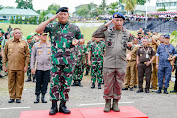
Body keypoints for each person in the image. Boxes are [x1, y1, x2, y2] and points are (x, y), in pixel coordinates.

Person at [35, 7, 84, 115]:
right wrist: (51, 19)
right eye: (60, 14)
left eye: (65, 14)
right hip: (55, 61)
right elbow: (38, 30)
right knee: (54, 83)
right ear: (57, 16)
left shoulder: (74, 27)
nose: (62, 16)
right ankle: (53, 106)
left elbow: (82, 40)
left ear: (68, 15)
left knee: (66, 84)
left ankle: (63, 105)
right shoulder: (52, 27)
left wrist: (78, 41)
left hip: (69, 61)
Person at [93, 12, 132, 112]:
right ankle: (107, 102)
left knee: (118, 84)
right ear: (113, 21)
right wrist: (107, 23)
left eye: (120, 20)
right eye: (116, 20)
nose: (118, 22)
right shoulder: (107, 31)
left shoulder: (128, 33)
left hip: (121, 63)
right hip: (109, 63)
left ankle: (115, 102)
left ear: (123, 21)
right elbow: (95, 34)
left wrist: (131, 47)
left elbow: (133, 46)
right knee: (108, 84)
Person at [3, 28, 30, 103]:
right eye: (16, 33)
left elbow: (27, 55)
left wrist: (26, 65)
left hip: (20, 66)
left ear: (21, 34)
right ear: (13, 34)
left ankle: (18, 97)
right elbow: (4, 55)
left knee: (20, 82)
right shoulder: (8, 43)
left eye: (19, 33)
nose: (18, 34)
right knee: (11, 82)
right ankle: (11, 97)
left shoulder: (24, 43)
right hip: (10, 66)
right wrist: (4, 65)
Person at [31, 33, 51, 103]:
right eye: (43, 35)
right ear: (39, 36)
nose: (45, 37)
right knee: (38, 82)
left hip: (47, 67)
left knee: (45, 82)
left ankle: (43, 96)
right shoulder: (36, 45)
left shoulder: (50, 45)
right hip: (38, 67)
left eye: (46, 35)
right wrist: (32, 67)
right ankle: (37, 96)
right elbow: (32, 57)